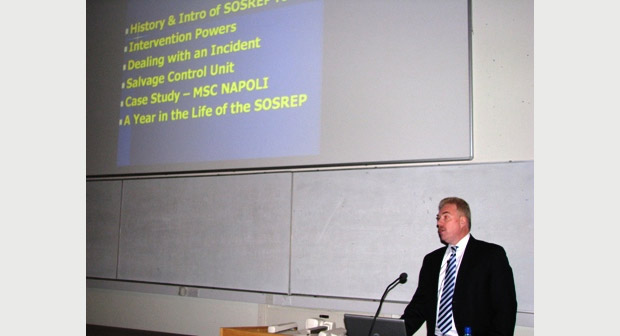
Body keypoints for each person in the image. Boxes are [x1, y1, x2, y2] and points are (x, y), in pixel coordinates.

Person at [401, 197, 517, 336]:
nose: (439, 223)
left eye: (445, 217)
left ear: (463, 221)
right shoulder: (432, 260)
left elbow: (505, 308)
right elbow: (419, 307)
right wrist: (391, 332)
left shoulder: (490, 255)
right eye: (438, 218)